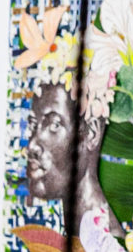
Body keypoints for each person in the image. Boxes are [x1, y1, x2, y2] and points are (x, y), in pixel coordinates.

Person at [23, 77, 105, 221]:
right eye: (33, 124)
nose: (31, 146)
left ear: (91, 133)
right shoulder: (82, 229)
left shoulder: (104, 234)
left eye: (54, 125)